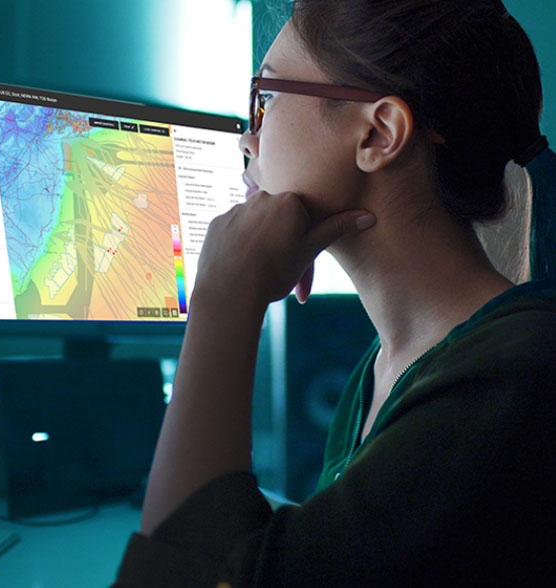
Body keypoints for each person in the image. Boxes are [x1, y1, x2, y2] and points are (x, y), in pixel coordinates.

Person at [113, 0, 556, 585]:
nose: (247, 139)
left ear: (378, 132)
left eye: (265, 99)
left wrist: (224, 297)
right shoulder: (383, 367)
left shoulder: (514, 378)